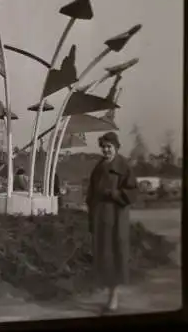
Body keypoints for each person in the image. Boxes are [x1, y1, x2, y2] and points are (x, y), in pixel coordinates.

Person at [86, 131, 138, 313]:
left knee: (115, 254)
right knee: (104, 255)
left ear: (116, 147)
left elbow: (132, 192)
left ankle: (113, 296)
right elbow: (91, 193)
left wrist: (114, 194)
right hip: (101, 219)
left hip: (116, 218)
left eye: (109, 147)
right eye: (104, 147)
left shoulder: (124, 166)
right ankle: (108, 293)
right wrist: (91, 214)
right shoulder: (99, 167)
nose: (106, 150)